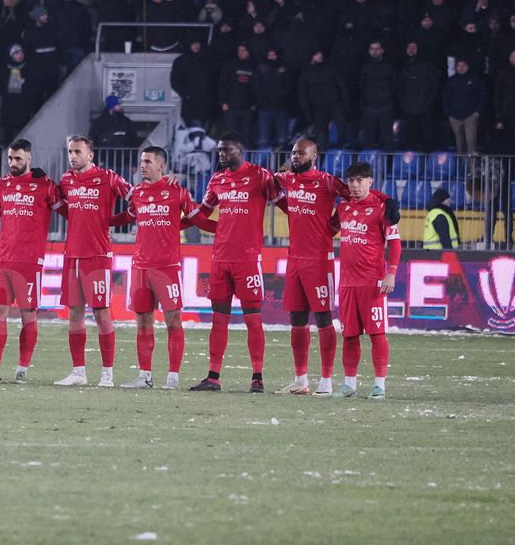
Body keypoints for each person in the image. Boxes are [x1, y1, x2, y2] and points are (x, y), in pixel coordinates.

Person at [113, 146, 212, 391]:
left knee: (173, 322)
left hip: (167, 267)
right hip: (140, 267)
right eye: (141, 161)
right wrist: (100, 222)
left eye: (147, 161)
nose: (142, 165)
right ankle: (145, 376)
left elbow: (197, 219)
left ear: (161, 165)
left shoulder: (177, 190)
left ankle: (173, 378)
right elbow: (127, 216)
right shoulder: (137, 193)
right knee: (143, 322)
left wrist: (227, 229)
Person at [190, 132, 282, 393]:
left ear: (240, 151)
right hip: (220, 259)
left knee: (253, 320)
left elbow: (285, 202)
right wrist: (181, 214)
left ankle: (257, 378)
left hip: (248, 260)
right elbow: (203, 214)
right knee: (218, 320)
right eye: (219, 150)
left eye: (226, 150)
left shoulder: (260, 176)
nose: (221, 154)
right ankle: (213, 377)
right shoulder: (217, 179)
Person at [273, 138, 356, 397]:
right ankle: (300, 380)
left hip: (320, 260)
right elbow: (266, 181)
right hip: (295, 259)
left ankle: (327, 381)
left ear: (314, 156)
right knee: (297, 319)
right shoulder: (287, 179)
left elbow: (353, 197)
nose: (295, 157)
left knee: (322, 319)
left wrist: (335, 223)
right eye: (293, 153)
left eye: (301, 153)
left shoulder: (328, 182)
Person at [52, 135, 133, 388]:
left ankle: (107, 374)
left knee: (102, 314)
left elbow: (136, 198)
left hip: (97, 256)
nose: (72, 156)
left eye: (77, 151)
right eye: (70, 152)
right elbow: (63, 208)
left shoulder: (108, 178)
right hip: (72, 255)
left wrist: (111, 221)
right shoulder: (66, 180)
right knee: (74, 313)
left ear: (90, 155)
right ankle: (78, 372)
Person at [0, 139, 59, 384]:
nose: (13, 163)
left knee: (28, 315)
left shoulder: (45, 185)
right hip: (3, 260)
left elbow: (68, 207)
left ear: (29, 159)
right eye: (10, 159)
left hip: (30, 262)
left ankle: (22, 370)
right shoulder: (2, 185)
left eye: (18, 159)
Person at [333, 161, 400, 399]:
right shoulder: (343, 208)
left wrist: (390, 273)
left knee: (376, 334)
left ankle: (380, 385)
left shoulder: (382, 208)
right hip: (347, 283)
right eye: (351, 180)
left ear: (370, 181)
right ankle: (349, 385)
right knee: (349, 335)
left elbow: (395, 243)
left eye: (360, 180)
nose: (354, 185)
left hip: (373, 282)